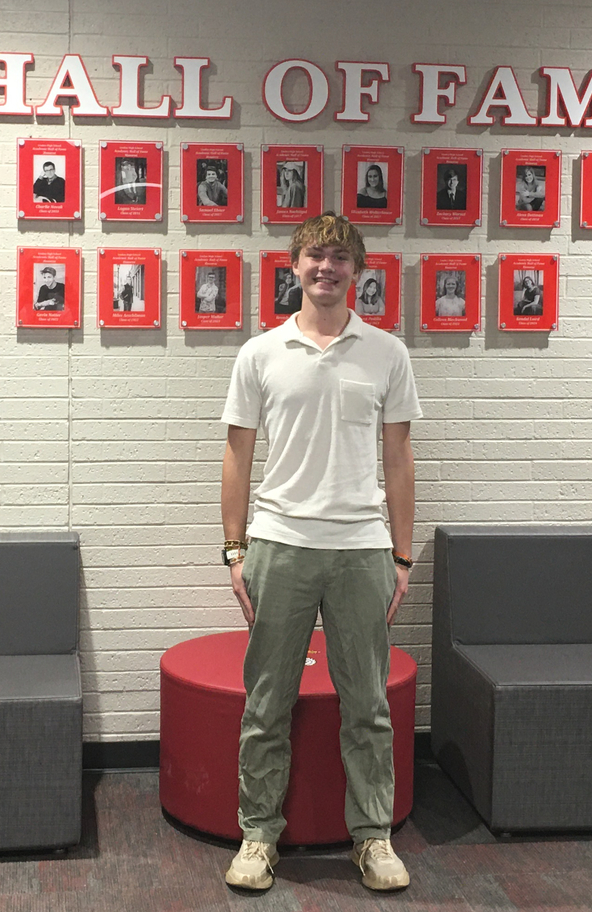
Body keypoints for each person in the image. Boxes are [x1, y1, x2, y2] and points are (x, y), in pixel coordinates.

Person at [220, 211, 420, 894]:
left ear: (358, 271)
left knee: (367, 704)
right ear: (294, 266)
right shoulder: (260, 353)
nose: (325, 267)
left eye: (339, 257)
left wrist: (400, 556)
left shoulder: (388, 354)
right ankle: (257, 835)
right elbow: (237, 456)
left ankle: (372, 839)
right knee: (266, 702)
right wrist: (233, 548)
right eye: (314, 255)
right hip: (280, 545)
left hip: (362, 551)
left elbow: (398, 458)